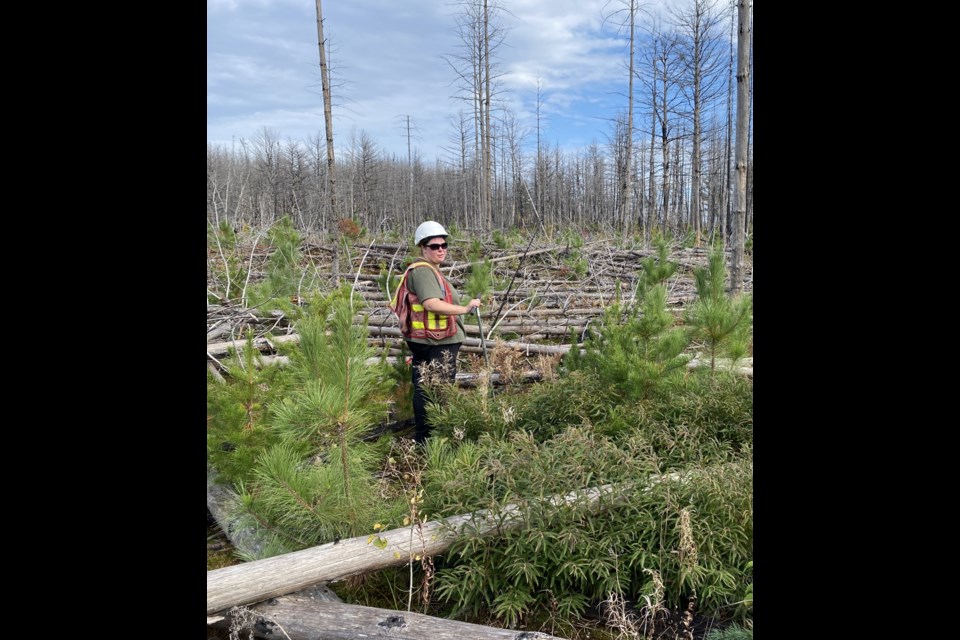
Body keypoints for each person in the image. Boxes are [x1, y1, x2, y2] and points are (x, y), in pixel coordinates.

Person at [390, 221, 481, 443]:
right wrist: (464, 309)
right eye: (434, 246)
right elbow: (431, 303)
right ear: (423, 247)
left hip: (431, 341)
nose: (441, 249)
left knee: (426, 389)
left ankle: (426, 438)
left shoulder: (428, 270)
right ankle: (434, 439)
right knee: (437, 392)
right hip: (436, 343)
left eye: (444, 245)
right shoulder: (422, 271)